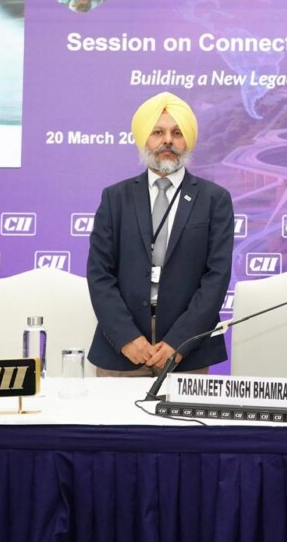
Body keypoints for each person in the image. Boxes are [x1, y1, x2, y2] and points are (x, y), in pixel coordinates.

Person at [87, 92, 234, 376]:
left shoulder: (214, 199)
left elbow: (216, 278)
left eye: (177, 133)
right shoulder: (116, 198)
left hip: (187, 353)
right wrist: (127, 338)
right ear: (144, 138)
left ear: (187, 140)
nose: (168, 141)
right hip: (123, 351)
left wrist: (180, 341)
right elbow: (99, 273)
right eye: (158, 132)